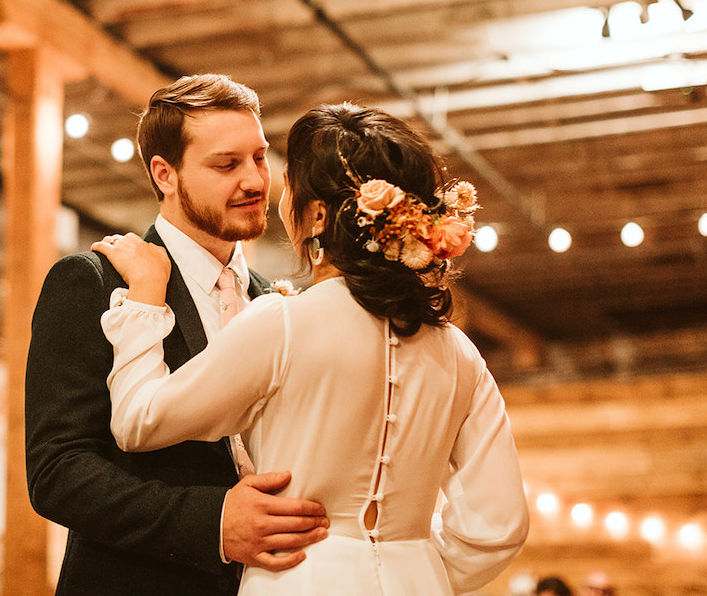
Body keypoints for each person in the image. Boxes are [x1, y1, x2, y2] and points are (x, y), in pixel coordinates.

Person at [95, 102, 529, 595]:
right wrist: (409, 561)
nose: (272, 192)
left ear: (317, 215)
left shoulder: (282, 323)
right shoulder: (458, 353)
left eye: (289, 182)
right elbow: (499, 526)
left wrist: (145, 302)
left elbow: (138, 421)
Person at [26, 74, 329, 596]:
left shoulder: (274, 304)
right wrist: (212, 521)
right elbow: (58, 471)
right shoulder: (93, 282)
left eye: (259, 157)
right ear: (165, 174)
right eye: (226, 164)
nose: (256, 181)